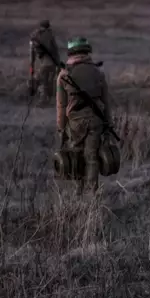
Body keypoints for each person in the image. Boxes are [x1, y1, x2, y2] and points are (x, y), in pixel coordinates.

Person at [56, 37, 111, 196]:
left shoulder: (64, 74)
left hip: (75, 123)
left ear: (71, 52)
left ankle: (78, 192)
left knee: (75, 156)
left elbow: (61, 106)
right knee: (92, 157)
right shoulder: (98, 73)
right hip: (96, 121)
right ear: (87, 51)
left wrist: (61, 128)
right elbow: (106, 102)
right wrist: (108, 125)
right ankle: (93, 194)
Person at [29, 19, 62, 106]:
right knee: (49, 82)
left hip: (45, 64)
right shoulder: (51, 35)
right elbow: (56, 51)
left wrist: (31, 67)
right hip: (53, 64)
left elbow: (32, 56)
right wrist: (58, 65)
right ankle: (49, 100)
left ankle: (42, 100)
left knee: (40, 81)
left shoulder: (35, 37)